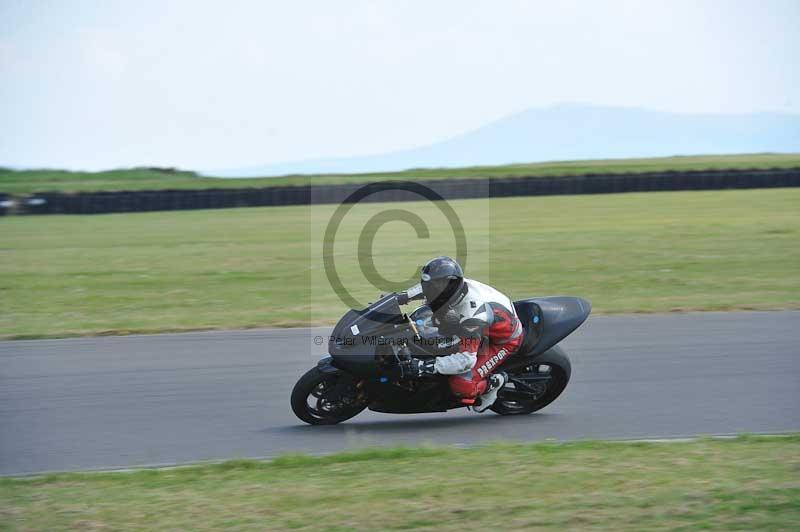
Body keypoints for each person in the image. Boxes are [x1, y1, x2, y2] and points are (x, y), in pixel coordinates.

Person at [399, 256, 523, 412]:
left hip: (501, 341)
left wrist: (425, 366)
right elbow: (426, 286)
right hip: (485, 324)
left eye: (434, 287)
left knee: (461, 385)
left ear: (448, 287)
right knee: (428, 320)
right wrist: (399, 298)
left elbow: (465, 360)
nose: (429, 290)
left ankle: (495, 382)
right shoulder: (453, 287)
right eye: (429, 286)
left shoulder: (473, 317)